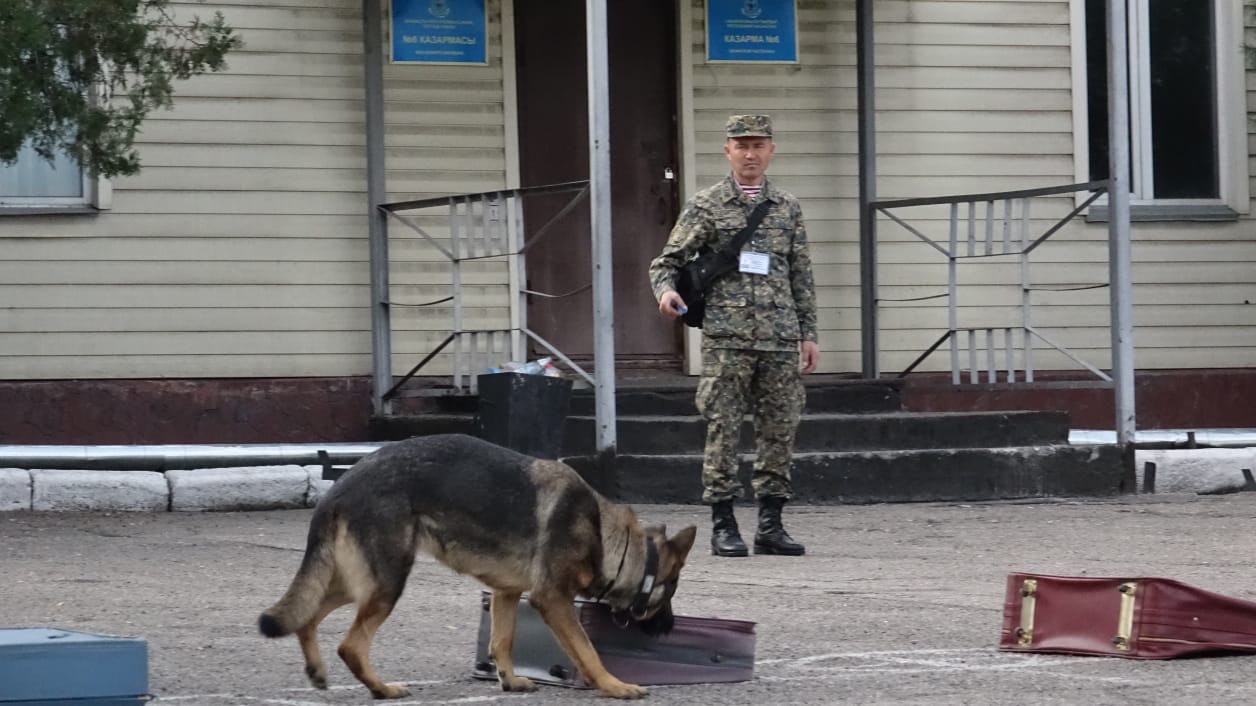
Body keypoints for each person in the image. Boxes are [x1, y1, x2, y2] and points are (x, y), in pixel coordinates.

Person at [648, 114, 819, 558]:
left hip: (780, 338)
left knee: (780, 430)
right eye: (741, 145)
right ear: (727, 150)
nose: (750, 153)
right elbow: (666, 261)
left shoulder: (787, 206)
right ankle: (724, 523)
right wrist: (666, 293)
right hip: (727, 338)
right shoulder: (707, 205)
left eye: (758, 144)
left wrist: (808, 333)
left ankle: (771, 524)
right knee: (722, 431)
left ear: (771, 151)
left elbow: (800, 273)